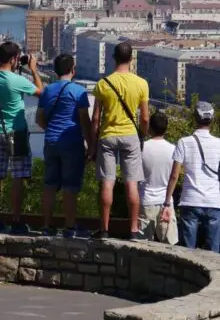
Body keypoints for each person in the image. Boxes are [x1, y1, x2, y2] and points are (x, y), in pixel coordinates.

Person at [91, 42, 149, 240]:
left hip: (108, 135)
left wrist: (92, 143)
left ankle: (104, 229)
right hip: (130, 135)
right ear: (131, 59)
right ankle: (133, 230)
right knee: (131, 183)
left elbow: (96, 118)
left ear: (113, 58)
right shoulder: (141, 83)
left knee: (107, 183)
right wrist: (143, 134)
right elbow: (145, 118)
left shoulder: (103, 84)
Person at [0, 41, 43, 235]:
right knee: (17, 177)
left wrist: (16, 68)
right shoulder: (17, 81)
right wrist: (33, 70)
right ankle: (16, 219)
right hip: (16, 132)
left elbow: (3, 78)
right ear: (14, 58)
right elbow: (41, 92)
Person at [35, 54, 90, 238]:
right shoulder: (79, 91)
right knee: (70, 186)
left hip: (51, 140)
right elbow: (84, 121)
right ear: (73, 70)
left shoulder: (47, 91)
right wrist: (90, 145)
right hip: (72, 142)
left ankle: (46, 225)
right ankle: (69, 227)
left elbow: (39, 118)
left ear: (55, 70)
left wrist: (50, 129)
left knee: (49, 185)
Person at [162, 102, 220, 251]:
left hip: (190, 200)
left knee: (188, 251)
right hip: (214, 201)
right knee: (213, 254)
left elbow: (174, 176)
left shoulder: (184, 142)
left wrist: (167, 203)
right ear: (212, 119)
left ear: (195, 118)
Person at [139, 112, 176, 242]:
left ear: (150, 127)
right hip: (166, 201)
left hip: (146, 199)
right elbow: (174, 176)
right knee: (169, 246)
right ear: (166, 128)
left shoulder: (142, 147)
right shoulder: (173, 149)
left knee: (141, 246)